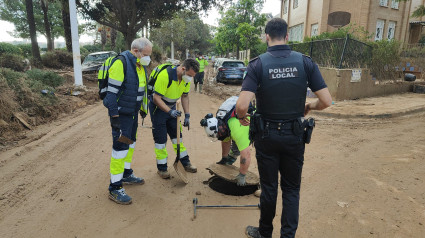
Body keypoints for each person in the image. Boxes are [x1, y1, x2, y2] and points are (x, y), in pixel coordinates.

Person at [236, 18, 332, 238]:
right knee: (291, 190)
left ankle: (265, 233)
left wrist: (243, 118)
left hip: (267, 136)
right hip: (294, 136)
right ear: (288, 36)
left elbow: (242, 105)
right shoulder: (305, 62)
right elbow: (326, 101)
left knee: (269, 188)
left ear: (266, 37)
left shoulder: (257, 64)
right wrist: (309, 106)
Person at [103, 37, 153, 205]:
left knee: (130, 143)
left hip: (132, 113)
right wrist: (115, 118)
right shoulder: (121, 63)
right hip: (121, 115)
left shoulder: (139, 66)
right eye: (146, 54)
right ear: (135, 51)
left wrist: (143, 110)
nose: (148, 58)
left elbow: (140, 90)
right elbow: (111, 95)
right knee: (120, 148)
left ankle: (125, 173)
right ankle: (115, 188)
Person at [149, 59, 200, 179]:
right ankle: (162, 169)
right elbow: (156, 98)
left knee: (177, 138)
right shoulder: (165, 76)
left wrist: (187, 114)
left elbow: (185, 96)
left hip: (172, 109)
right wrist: (169, 111)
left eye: (192, 76)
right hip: (159, 110)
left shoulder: (186, 79)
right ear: (183, 69)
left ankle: (185, 162)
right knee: (160, 141)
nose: (190, 79)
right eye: (189, 75)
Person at [200, 96, 254, 186]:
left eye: (218, 135)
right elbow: (225, 139)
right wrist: (224, 158)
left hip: (253, 121)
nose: (219, 137)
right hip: (234, 116)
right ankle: (230, 157)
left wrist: (242, 175)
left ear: (219, 128)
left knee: (257, 148)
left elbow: (246, 154)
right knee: (232, 139)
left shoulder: (236, 130)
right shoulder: (221, 121)